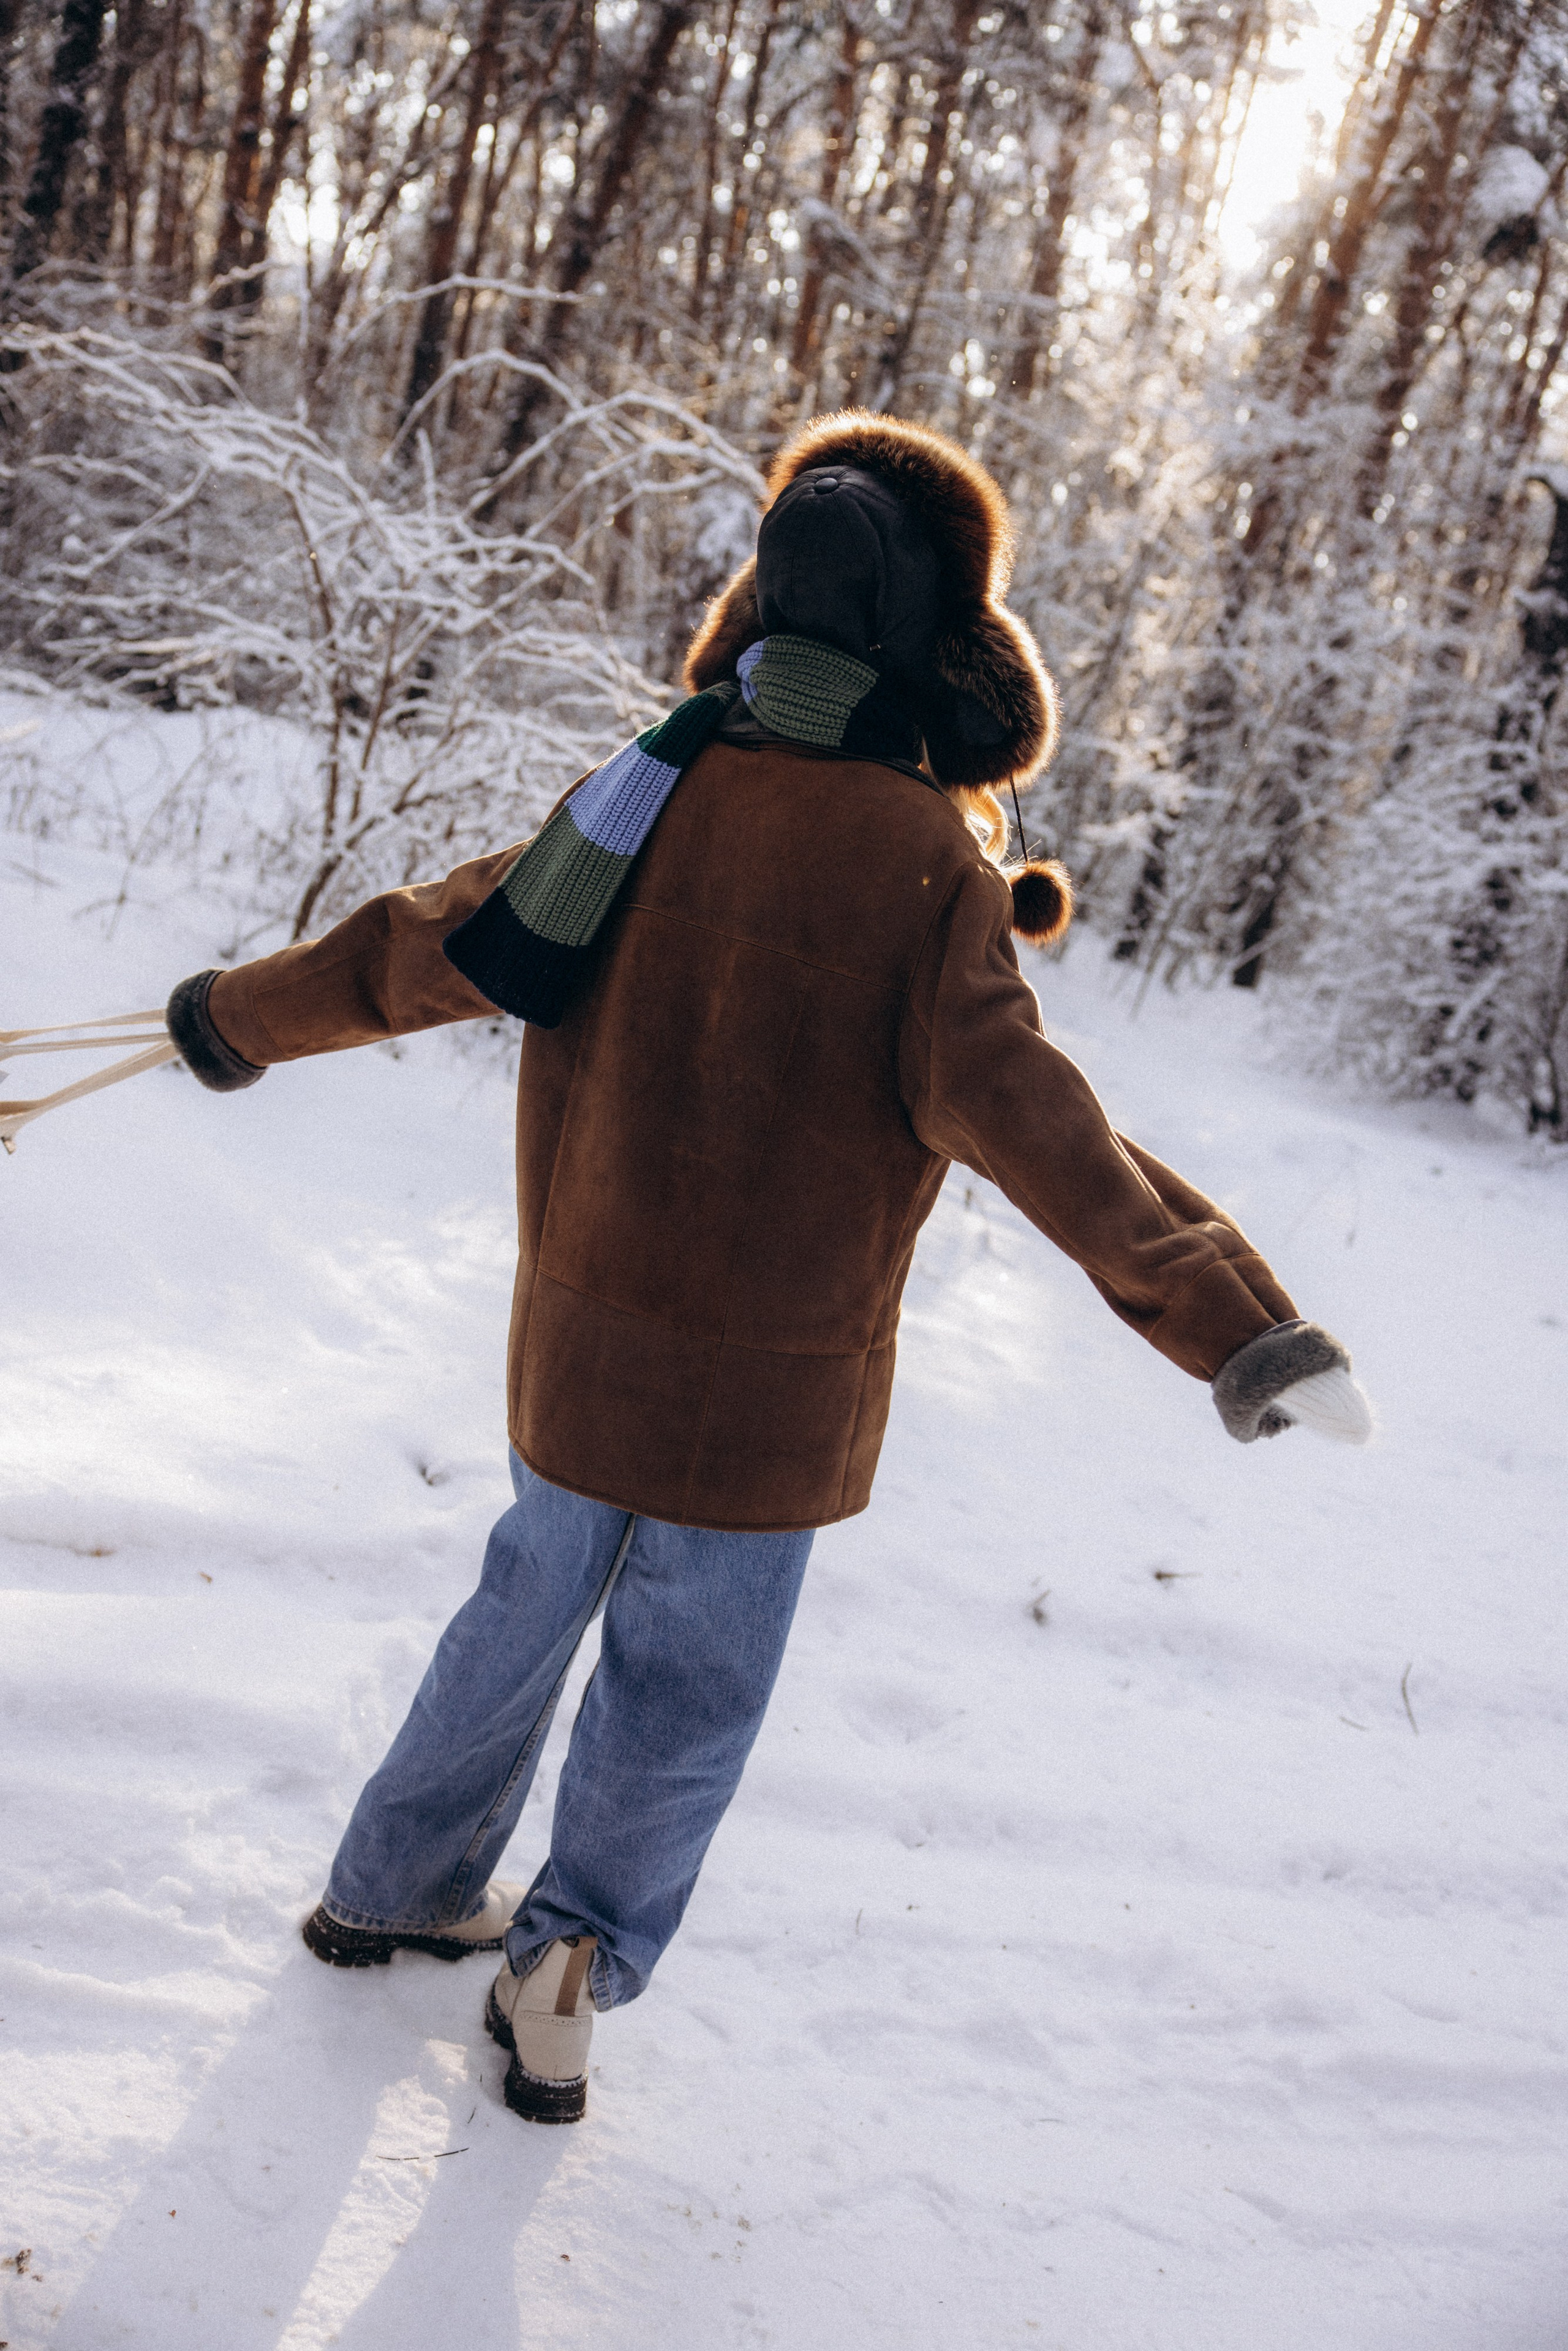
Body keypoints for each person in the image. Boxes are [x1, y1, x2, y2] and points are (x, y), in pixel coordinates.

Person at [164, 412, 1370, 2127]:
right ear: (941, 645)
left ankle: (390, 1884)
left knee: (516, 1614)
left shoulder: (641, 793)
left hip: (579, 1366)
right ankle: (567, 1970)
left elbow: (428, 948)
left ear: (762, 613)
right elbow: (1047, 1127)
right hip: (772, 1421)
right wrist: (1242, 1328)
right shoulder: (929, 871)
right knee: (688, 1691)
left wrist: (230, 1017)